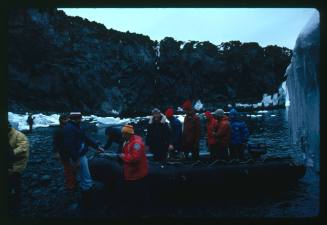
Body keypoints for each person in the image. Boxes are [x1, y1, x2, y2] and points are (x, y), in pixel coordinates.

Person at [63, 112, 104, 207]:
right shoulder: (69, 129)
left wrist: (97, 146)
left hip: (81, 154)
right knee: (84, 172)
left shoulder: (76, 126)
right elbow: (69, 146)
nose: (81, 120)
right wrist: (76, 159)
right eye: (80, 118)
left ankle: (84, 186)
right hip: (78, 155)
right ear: (75, 118)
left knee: (83, 172)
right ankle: (87, 192)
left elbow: (86, 138)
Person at [120, 124, 149, 217]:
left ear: (128, 134)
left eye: (123, 133)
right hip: (131, 172)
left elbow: (135, 158)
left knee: (139, 193)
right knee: (133, 193)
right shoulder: (128, 141)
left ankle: (141, 212)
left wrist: (123, 157)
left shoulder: (136, 143)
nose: (122, 135)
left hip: (137, 173)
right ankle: (135, 209)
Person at [8, 121, 29, 208]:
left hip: (17, 163)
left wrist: (10, 153)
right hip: (9, 162)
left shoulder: (19, 135)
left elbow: (23, 147)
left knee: (15, 180)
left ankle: (16, 198)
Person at [53, 114, 77, 190]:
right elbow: (55, 143)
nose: (69, 120)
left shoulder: (70, 128)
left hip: (72, 151)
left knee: (73, 167)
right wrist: (56, 152)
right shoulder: (58, 131)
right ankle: (70, 184)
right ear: (62, 120)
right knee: (67, 168)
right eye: (67, 119)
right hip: (63, 152)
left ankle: (73, 181)